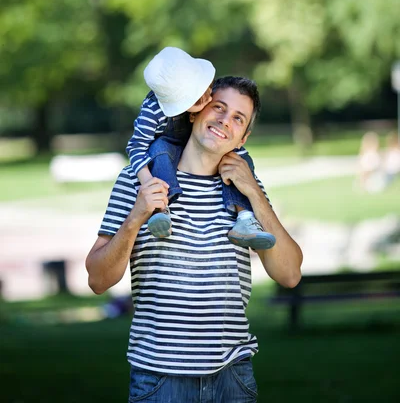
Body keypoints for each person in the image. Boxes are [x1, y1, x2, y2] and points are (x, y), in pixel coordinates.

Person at [86, 76, 302, 403]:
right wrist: (136, 217)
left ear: (244, 136)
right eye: (219, 108)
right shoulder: (139, 178)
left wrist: (255, 192)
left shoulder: (243, 190)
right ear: (195, 110)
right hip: (160, 380)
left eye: (238, 118)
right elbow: (98, 280)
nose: (224, 121)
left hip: (233, 378)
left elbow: (289, 274)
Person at [126, 47, 276, 250]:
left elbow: (289, 276)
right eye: (197, 99)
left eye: (206, 88)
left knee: (240, 161)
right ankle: (161, 209)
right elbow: (136, 146)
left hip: (202, 145)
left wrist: (253, 189)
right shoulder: (152, 112)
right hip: (167, 149)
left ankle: (244, 216)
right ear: (185, 108)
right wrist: (147, 183)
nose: (207, 97)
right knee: (158, 147)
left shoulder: (198, 90)